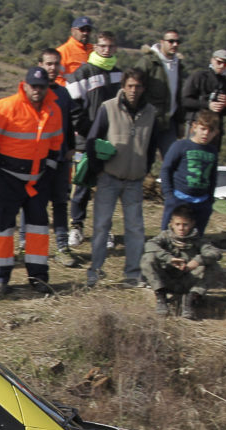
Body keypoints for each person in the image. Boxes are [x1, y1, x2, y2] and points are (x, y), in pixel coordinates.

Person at [0, 67, 64, 295]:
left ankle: (38, 278)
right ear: (24, 85)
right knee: (2, 229)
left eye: (41, 86)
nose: (37, 90)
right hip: (9, 179)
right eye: (33, 86)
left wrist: (49, 173)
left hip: (38, 181)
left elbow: (56, 145)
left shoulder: (53, 111)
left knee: (38, 230)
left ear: (47, 88)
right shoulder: (4, 107)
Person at [85, 68, 160, 288]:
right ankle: (94, 272)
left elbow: (152, 144)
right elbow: (92, 140)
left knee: (135, 229)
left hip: (134, 180)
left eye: (138, 86)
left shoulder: (150, 113)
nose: (133, 91)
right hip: (109, 177)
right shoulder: (108, 108)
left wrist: (145, 168)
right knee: (101, 226)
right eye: (130, 86)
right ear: (123, 87)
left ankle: (133, 274)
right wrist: (98, 169)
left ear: (143, 88)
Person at [64, 30, 122, 248]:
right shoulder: (82, 73)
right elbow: (73, 107)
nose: (106, 50)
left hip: (110, 142)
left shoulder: (119, 74)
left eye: (110, 46)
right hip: (85, 139)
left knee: (107, 187)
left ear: (115, 48)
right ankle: (76, 227)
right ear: (95, 47)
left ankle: (104, 229)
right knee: (81, 185)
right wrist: (89, 131)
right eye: (102, 46)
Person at [141, 205, 223, 320]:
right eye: (177, 224)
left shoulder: (198, 240)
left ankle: (191, 300)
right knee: (147, 258)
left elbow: (216, 253)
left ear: (192, 224)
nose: (181, 228)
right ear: (172, 224)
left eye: (185, 225)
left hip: (188, 281)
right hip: (167, 280)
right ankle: (161, 298)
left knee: (214, 266)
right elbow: (149, 245)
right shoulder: (165, 236)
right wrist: (169, 258)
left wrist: (197, 261)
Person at [39, 49, 80, 267]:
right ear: (40, 65)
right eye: (48, 64)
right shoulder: (34, 92)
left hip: (61, 158)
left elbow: (70, 124)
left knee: (60, 203)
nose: (52, 68)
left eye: (56, 64)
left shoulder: (64, 93)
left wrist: (72, 149)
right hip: (37, 159)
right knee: (33, 203)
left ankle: (62, 247)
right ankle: (25, 244)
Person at [160, 111, 221, 236]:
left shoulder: (213, 151)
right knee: (168, 236)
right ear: (194, 126)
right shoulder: (180, 145)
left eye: (210, 131)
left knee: (196, 238)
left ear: (216, 132)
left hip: (202, 202)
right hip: (178, 198)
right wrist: (169, 195)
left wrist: (210, 200)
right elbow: (166, 169)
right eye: (203, 129)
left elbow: (213, 176)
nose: (206, 133)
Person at [133, 29, 186, 157]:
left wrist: (180, 122)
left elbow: (177, 96)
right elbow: (133, 84)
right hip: (149, 120)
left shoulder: (177, 65)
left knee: (172, 160)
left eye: (177, 41)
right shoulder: (148, 62)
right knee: (144, 159)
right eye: (171, 41)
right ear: (162, 42)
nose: (175, 44)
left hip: (169, 122)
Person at [180, 50, 226, 151]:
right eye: (219, 62)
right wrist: (208, 105)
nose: (222, 66)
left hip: (215, 130)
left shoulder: (225, 82)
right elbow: (185, 100)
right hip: (197, 125)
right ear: (212, 60)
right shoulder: (199, 76)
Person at [55, 16, 95, 84]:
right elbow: (57, 79)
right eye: (82, 29)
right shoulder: (62, 52)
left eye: (88, 30)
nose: (85, 33)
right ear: (73, 31)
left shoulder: (94, 50)